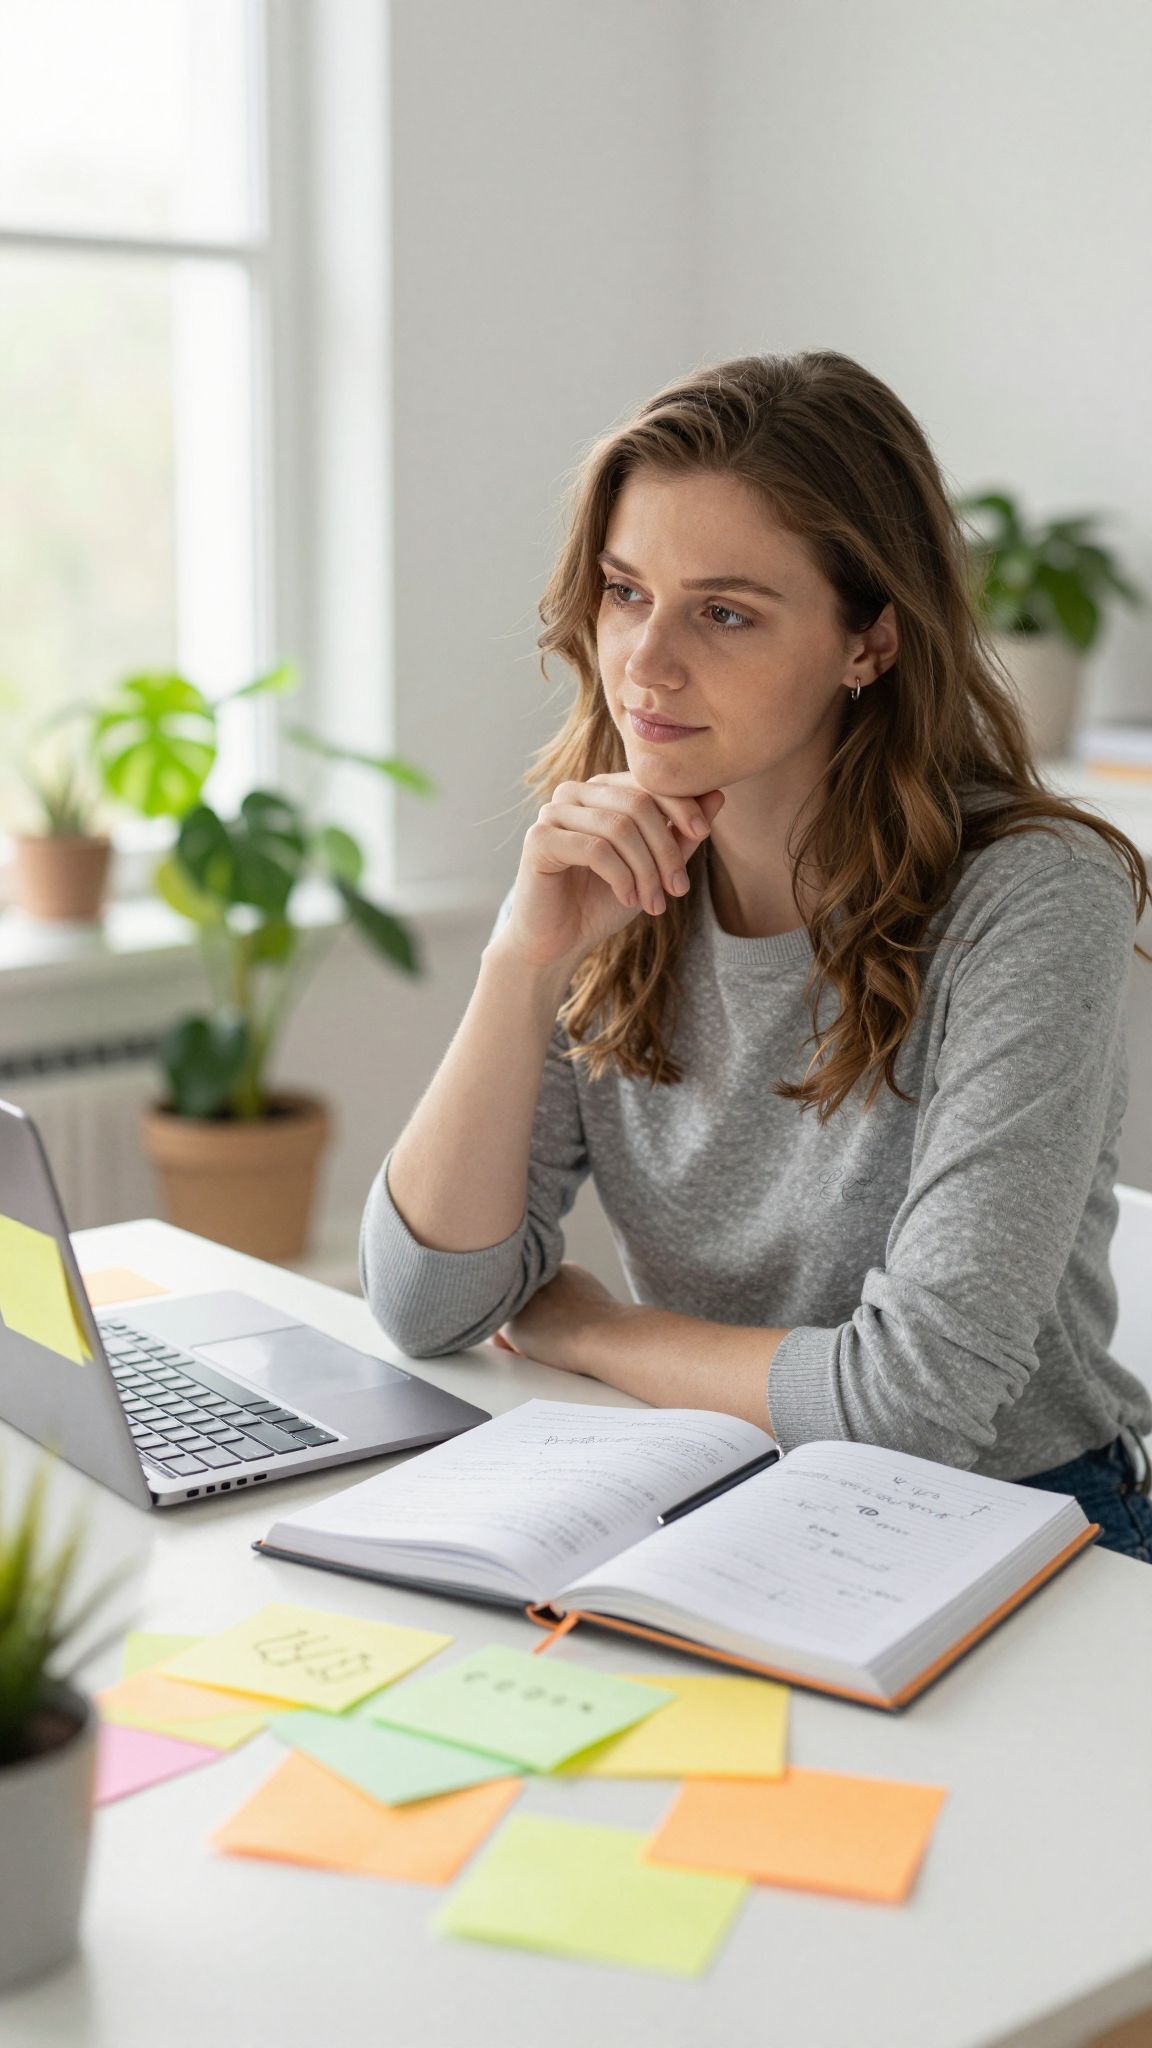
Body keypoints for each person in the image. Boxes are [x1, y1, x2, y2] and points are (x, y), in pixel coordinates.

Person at [361, 350, 1152, 1562]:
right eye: (627, 592)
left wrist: (592, 1329)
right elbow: (427, 1305)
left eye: (724, 612)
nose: (647, 662)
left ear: (869, 643)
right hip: (711, 1495)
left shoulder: (1036, 895)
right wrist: (520, 962)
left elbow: (917, 1405)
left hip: (1022, 1535)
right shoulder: (615, 865)